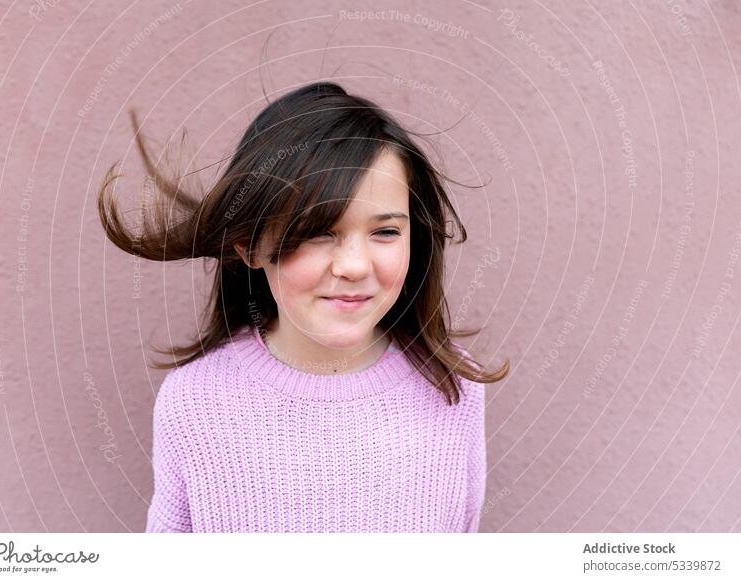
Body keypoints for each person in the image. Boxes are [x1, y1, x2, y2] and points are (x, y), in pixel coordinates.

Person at [96, 81, 509, 532]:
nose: (353, 265)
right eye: (319, 231)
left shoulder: (453, 389)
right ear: (249, 246)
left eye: (386, 232)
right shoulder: (195, 402)